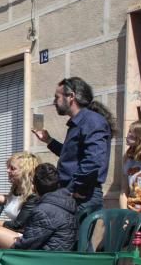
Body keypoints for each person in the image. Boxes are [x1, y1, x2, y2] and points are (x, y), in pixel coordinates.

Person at [32, 77, 113, 217]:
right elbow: (71, 156)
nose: (54, 102)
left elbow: (93, 160)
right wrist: (49, 140)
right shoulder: (79, 123)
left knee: (74, 239)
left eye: (57, 97)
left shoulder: (92, 121)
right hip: (73, 194)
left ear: (71, 97)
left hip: (82, 197)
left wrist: (77, 189)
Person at [1, 163, 77, 251]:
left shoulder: (44, 210)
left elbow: (25, 246)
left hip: (42, 257)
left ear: (35, 186)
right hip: (54, 251)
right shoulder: (63, 202)